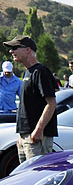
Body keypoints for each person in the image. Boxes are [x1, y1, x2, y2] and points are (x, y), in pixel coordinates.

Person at [4, 35, 57, 164]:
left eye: (15, 48)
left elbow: (51, 103)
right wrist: (21, 136)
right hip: (25, 136)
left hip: (36, 137)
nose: (11, 51)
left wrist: (39, 129)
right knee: (26, 178)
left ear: (27, 50)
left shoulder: (41, 71)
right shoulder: (27, 72)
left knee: (38, 176)